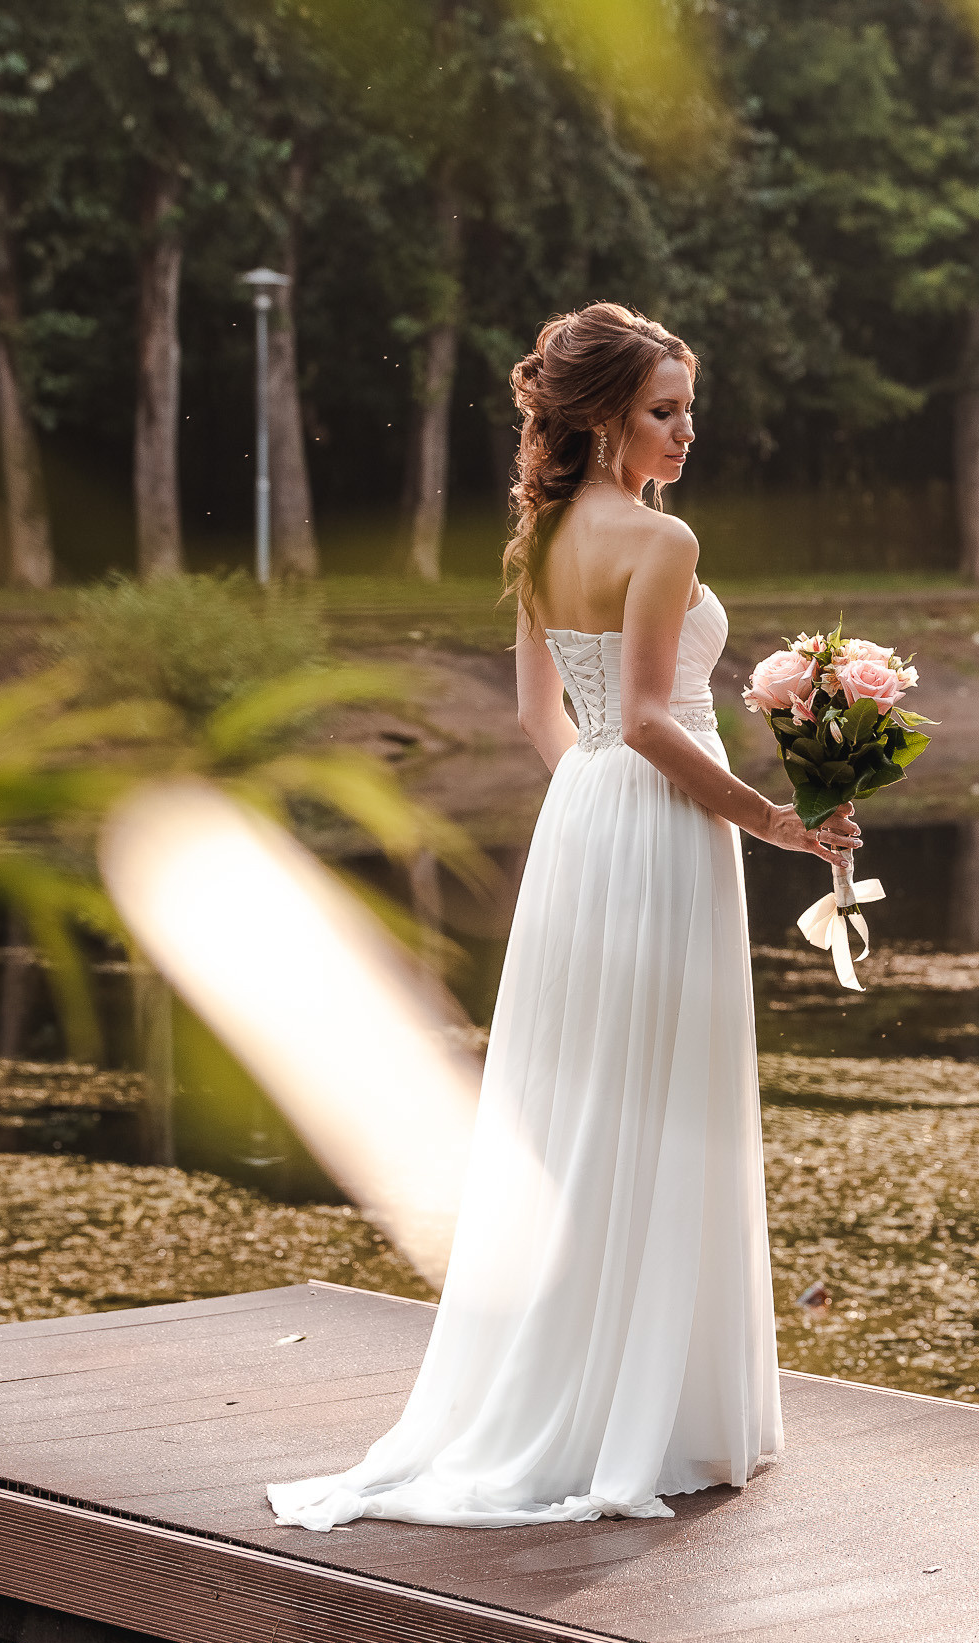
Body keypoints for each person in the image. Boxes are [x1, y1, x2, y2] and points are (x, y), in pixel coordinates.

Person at [265, 302, 857, 1530]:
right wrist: (773, 820)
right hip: (663, 821)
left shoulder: (538, 538)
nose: (684, 432)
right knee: (658, 1096)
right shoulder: (663, 539)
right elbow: (646, 718)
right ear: (600, 418)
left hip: (583, 821)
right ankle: (656, 1419)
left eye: (687, 409)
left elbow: (555, 723)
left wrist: (593, 811)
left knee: (584, 1094)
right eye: (662, 411)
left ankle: (586, 1400)